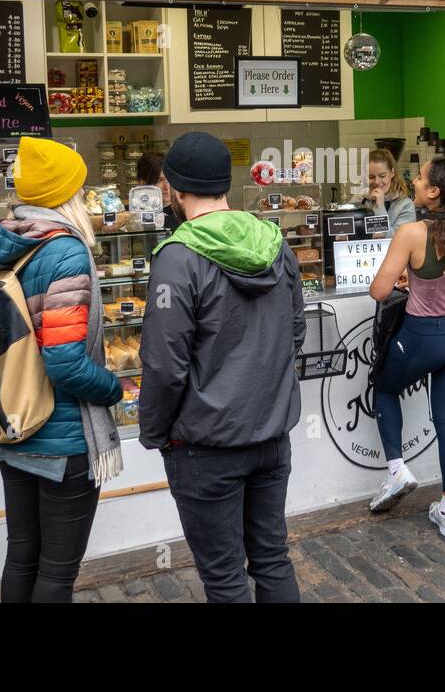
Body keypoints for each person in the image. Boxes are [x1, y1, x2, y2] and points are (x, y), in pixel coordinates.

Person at [139, 131, 304, 602]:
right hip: (272, 438)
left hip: (205, 444)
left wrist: (155, 432)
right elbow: (295, 331)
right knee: (272, 558)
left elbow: (164, 364)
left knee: (225, 576)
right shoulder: (275, 241)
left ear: (172, 187)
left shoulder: (176, 258)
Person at [0, 136, 123, 603]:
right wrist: (114, 388)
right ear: (66, 193)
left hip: (13, 422)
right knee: (56, 573)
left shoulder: (6, 241)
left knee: (21, 558)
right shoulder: (65, 253)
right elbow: (65, 361)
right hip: (63, 438)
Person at [366, 157, 445, 537]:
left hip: (423, 337)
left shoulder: (413, 233)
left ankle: (397, 471)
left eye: (419, 178)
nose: (413, 181)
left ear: (434, 192)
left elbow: (379, 291)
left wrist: (412, 280)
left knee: (384, 388)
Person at [361, 148, 416, 233]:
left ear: (392, 173)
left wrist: (380, 208)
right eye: (371, 177)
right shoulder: (359, 200)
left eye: (382, 176)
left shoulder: (405, 205)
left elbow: (398, 241)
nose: (377, 182)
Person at [135, 149, 182, 231]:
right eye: (159, 180)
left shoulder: (185, 213)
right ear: (142, 183)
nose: (166, 186)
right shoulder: (132, 215)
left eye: (169, 179)